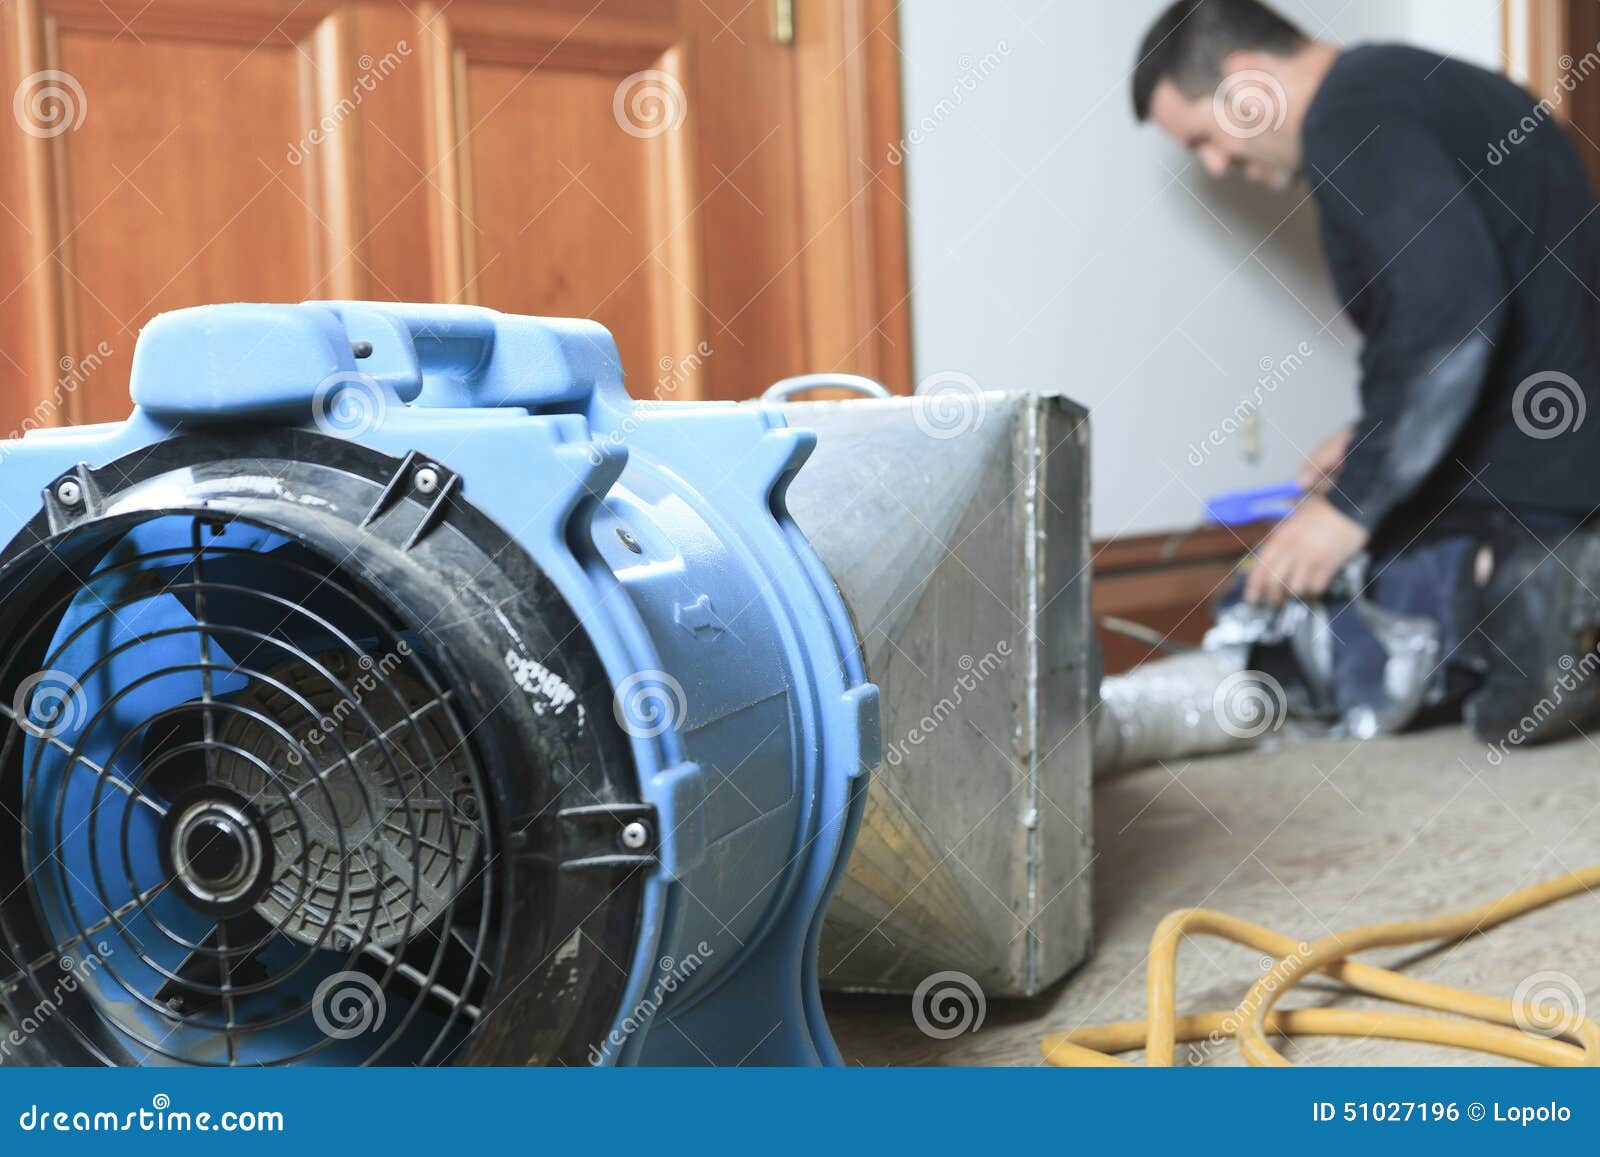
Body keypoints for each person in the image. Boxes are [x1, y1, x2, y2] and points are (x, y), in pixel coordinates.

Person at [1131, 0, 1600, 743]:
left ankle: (1509, 585)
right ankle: (1528, 603)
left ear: (1246, 80)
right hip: (1566, 462)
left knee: (1281, 632)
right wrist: (1370, 435)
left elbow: (1447, 307)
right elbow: (1508, 304)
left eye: (1204, 137)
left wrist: (1349, 505)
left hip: (1525, 499)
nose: (1216, 164)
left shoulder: (1351, 112)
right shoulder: (1426, 87)